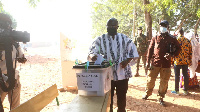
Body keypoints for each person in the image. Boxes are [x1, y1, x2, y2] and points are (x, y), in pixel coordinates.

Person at [87, 18, 139, 112]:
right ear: (106, 27)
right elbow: (91, 51)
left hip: (122, 74)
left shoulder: (124, 38)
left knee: (122, 97)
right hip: (107, 75)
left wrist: (127, 61)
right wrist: (92, 56)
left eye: (113, 26)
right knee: (108, 99)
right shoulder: (100, 39)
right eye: (109, 26)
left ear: (117, 27)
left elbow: (133, 51)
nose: (111, 28)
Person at [142, 20, 181, 106]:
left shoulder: (172, 38)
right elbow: (150, 50)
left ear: (168, 27)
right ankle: (147, 93)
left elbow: (178, 48)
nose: (162, 27)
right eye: (161, 26)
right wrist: (147, 62)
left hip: (166, 65)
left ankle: (160, 97)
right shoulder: (155, 37)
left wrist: (172, 54)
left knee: (164, 82)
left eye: (164, 26)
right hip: (155, 63)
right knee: (150, 80)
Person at [0, 13, 27, 110]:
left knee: (16, 108)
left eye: (8, 25)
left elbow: (22, 57)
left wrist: (22, 59)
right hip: (1, 81)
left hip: (14, 80)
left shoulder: (15, 44)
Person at [171, 28, 192, 95]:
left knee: (177, 75)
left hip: (177, 61)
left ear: (178, 33)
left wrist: (172, 61)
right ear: (183, 33)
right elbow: (190, 51)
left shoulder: (176, 40)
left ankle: (176, 90)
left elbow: (173, 51)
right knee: (185, 75)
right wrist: (190, 60)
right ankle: (185, 90)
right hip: (185, 61)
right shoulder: (187, 41)